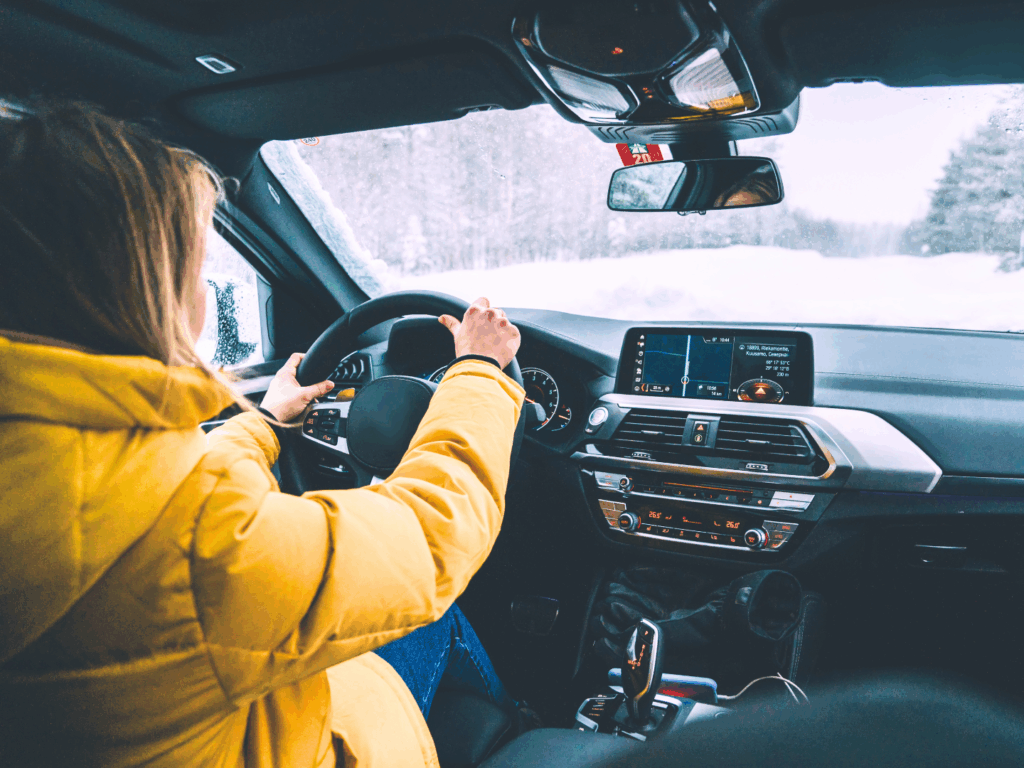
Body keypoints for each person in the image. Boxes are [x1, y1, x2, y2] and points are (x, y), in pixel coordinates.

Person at [0, 99, 525, 767]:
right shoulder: (200, 541)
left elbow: (142, 495)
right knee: (434, 613)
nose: (202, 293)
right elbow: (432, 536)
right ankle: (522, 732)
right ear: (143, 288)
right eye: (195, 266)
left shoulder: (55, 460)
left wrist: (264, 422)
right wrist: (479, 372)